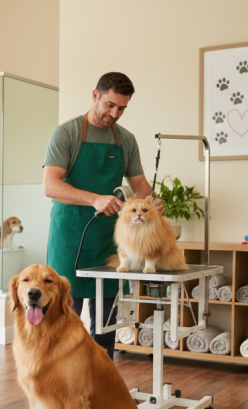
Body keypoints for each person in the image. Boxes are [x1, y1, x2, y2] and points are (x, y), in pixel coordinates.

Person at [42, 72, 163, 360]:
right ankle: (62, 380)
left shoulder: (126, 140)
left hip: (109, 242)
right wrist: (94, 199)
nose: (115, 113)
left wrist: (152, 202)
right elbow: (50, 186)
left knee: (106, 326)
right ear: (95, 95)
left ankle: (102, 379)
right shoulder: (67, 133)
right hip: (69, 239)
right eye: (110, 105)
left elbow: (140, 186)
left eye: (122, 108)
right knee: (63, 322)